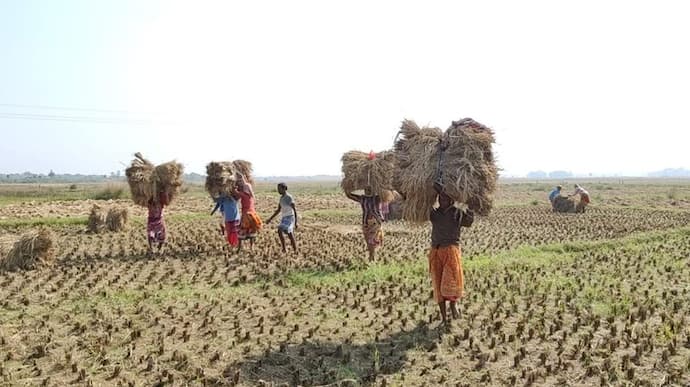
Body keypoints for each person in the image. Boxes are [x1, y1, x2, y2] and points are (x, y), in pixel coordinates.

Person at [429, 180, 474, 324]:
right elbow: (419, 209)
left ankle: (453, 307)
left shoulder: (457, 213)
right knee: (438, 284)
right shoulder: (434, 214)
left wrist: (471, 206)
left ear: (451, 200)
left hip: (451, 251)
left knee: (450, 283)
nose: (442, 201)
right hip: (436, 251)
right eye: (440, 199)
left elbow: (469, 222)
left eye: (445, 198)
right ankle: (443, 317)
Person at [346, 187, 384, 261]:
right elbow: (349, 195)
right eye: (366, 189)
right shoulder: (362, 198)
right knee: (369, 241)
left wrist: (381, 187)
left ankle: (372, 257)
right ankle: (371, 256)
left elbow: (387, 195)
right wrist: (349, 187)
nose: (368, 191)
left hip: (375, 222)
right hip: (366, 223)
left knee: (373, 240)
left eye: (370, 189)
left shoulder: (377, 198)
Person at [265, 183, 298, 253]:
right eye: (278, 188)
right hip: (284, 217)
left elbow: (294, 210)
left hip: (290, 217)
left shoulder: (289, 197)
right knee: (282, 231)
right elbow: (278, 210)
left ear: (284, 189)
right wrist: (270, 219)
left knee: (286, 232)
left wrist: (296, 222)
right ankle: (284, 248)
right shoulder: (281, 198)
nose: (278, 190)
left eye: (279, 189)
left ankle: (294, 249)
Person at [236, 174, 263, 250]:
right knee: (248, 230)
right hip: (249, 213)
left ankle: (244, 247)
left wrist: (234, 189)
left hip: (248, 214)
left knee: (246, 230)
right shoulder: (247, 194)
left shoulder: (245, 192)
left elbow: (236, 193)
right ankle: (247, 247)